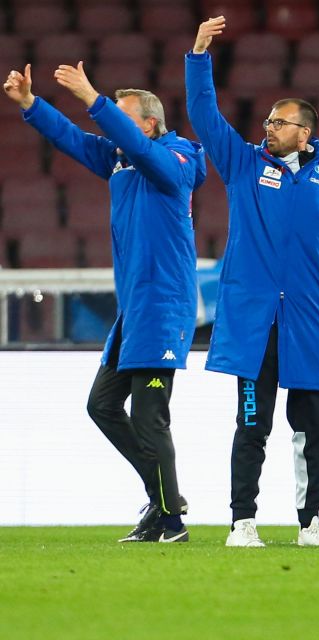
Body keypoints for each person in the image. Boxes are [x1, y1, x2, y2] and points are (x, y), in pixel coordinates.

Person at [187, 16, 319, 547]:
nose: (267, 128)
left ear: (304, 132)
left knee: (310, 428)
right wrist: (200, 55)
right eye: (268, 121)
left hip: (309, 320)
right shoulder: (244, 164)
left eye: (278, 122)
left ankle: (309, 523)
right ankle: (242, 521)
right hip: (255, 322)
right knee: (252, 424)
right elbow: (204, 116)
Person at [3, 63, 204, 542]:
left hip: (163, 305)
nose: (109, 126)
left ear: (150, 124)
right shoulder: (120, 159)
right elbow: (73, 139)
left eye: (119, 115)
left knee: (149, 416)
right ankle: (164, 496)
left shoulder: (177, 160)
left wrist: (94, 97)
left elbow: (139, 149)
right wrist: (32, 104)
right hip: (134, 309)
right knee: (103, 405)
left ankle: (169, 520)